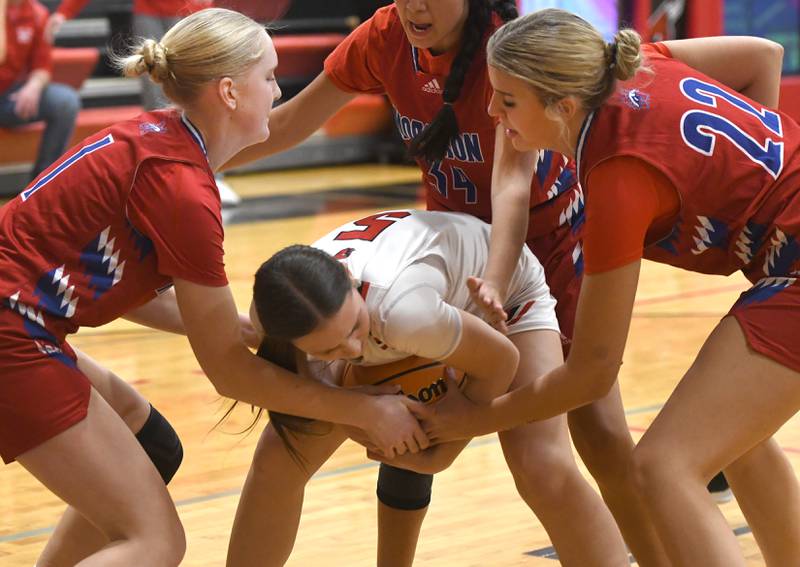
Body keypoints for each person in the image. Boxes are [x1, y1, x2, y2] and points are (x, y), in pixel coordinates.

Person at [226, 1, 670, 563]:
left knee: (582, 445)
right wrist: (193, 159)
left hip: (538, 254)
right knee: (317, 439)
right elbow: (286, 123)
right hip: (445, 265)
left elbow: (511, 182)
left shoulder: (508, 48)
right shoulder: (385, 37)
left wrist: (494, 285)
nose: (415, 5)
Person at [0, 9, 427, 567]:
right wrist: (360, 410)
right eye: (270, 78)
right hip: (14, 331)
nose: (278, 90)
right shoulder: (184, 192)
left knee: (150, 444)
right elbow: (229, 374)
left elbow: (103, 279)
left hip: (22, 317)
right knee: (155, 542)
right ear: (229, 91)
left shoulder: (154, 140)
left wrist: (242, 328)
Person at [421, 9, 800, 566]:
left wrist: (476, 418)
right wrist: (749, 187)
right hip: (784, 263)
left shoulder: (619, 175)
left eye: (506, 99)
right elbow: (760, 57)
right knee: (732, 439)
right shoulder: (636, 64)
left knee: (662, 466)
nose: (490, 111)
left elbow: (591, 373)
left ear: (562, 106)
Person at [229, 209, 628, 567]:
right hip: (414, 315)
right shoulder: (275, 316)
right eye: (330, 347)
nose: (351, 349)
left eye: (351, 330)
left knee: (542, 466)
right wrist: (353, 408)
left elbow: (501, 360)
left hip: (498, 303)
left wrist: (448, 442)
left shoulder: (404, 312)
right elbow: (314, 384)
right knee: (276, 461)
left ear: (350, 281)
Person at [0, 0, 80, 183]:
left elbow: (42, 66)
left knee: (65, 101)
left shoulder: (37, 13)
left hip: (10, 96)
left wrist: (33, 86)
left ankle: (43, 183)